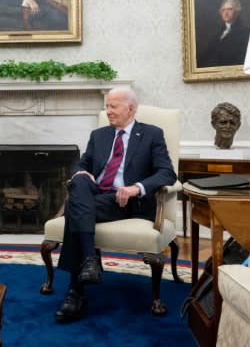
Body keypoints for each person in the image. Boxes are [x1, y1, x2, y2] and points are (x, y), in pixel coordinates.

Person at [54, 87, 176, 323]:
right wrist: (81, 174)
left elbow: (167, 173)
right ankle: (90, 260)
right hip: (96, 196)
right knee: (79, 182)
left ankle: (75, 293)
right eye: (106, 106)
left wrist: (136, 188)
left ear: (130, 109)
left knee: (73, 209)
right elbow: (81, 164)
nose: (107, 111)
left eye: (113, 106)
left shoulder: (151, 134)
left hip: (126, 201)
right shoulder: (99, 135)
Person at [196, 0, 250, 68]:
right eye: (223, 10)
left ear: (237, 12)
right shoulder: (217, 33)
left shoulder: (246, 32)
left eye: (230, 9)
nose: (226, 13)